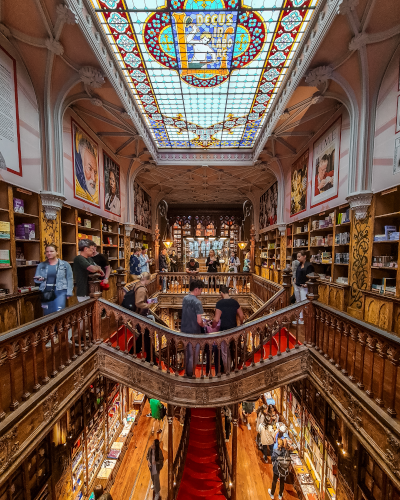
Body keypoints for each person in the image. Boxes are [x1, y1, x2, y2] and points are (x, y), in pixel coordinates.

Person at [121, 272, 155, 361]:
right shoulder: (141, 289)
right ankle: (151, 359)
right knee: (147, 336)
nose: (150, 281)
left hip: (139, 315)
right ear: (146, 279)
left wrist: (147, 301)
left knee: (143, 335)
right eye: (149, 279)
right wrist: (149, 305)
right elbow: (138, 303)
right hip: (140, 316)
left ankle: (133, 351)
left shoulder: (137, 285)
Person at [34, 244, 73, 315]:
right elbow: (36, 279)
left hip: (60, 291)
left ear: (57, 252)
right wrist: (39, 279)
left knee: (59, 312)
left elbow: (69, 278)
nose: (49, 253)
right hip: (46, 292)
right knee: (47, 314)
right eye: (47, 252)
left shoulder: (65, 264)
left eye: (51, 251)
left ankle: (59, 326)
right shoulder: (41, 265)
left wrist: (69, 292)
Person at [181, 279, 205, 377]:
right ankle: (191, 375)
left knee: (187, 353)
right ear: (196, 289)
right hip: (194, 331)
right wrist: (205, 324)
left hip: (184, 330)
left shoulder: (185, 298)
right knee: (194, 355)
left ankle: (186, 373)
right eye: (201, 289)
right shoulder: (197, 302)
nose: (201, 291)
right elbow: (199, 321)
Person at [295, 250, 314, 324]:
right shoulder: (299, 265)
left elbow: (311, 276)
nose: (298, 258)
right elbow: (297, 273)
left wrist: (307, 284)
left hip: (304, 287)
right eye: (297, 257)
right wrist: (295, 279)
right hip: (298, 285)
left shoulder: (309, 265)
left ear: (304, 256)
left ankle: (305, 319)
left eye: (299, 257)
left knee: (304, 303)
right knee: (298, 302)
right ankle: (300, 318)